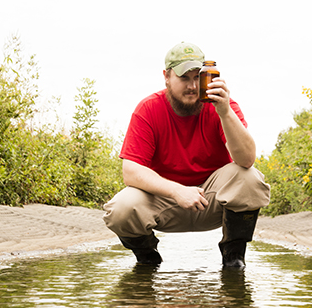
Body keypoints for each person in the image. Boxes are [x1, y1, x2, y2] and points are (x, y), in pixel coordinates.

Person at [103, 42, 270, 268]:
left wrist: (225, 112)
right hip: (166, 201)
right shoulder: (148, 109)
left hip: (212, 200)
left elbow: (247, 160)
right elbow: (130, 171)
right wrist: (177, 190)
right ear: (166, 77)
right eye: (184, 78)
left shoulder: (223, 107)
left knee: (250, 178)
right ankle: (148, 259)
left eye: (197, 78)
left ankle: (233, 257)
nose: (192, 86)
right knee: (121, 208)